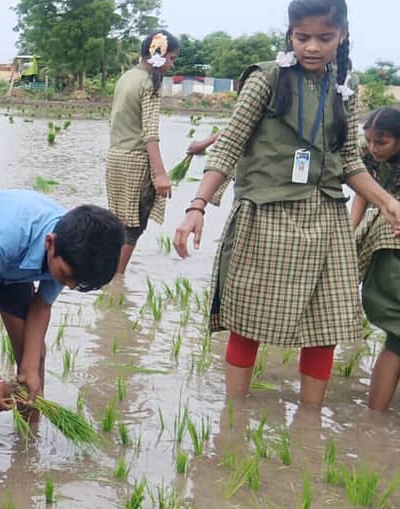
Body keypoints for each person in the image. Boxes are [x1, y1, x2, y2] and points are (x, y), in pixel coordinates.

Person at [173, 0, 400, 407]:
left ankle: (309, 424)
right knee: (247, 322)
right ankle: (234, 417)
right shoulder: (267, 79)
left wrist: (385, 201)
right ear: (290, 34)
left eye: (324, 38)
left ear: (342, 36)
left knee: (325, 328)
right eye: (302, 37)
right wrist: (197, 206)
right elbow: (229, 145)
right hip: (267, 215)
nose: (312, 47)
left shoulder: (344, 87)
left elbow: (349, 160)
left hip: (326, 218)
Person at [0, 190, 123, 412]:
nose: (70, 286)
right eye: (67, 277)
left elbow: (41, 306)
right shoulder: (8, 237)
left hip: (13, 271)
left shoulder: (75, 253)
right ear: (50, 243)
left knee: (34, 356)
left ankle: (29, 433)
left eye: (76, 282)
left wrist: (30, 367)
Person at [105, 30, 180, 274]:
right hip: (135, 161)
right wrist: (160, 174)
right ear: (158, 55)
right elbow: (150, 133)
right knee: (134, 225)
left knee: (119, 220)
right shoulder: (150, 83)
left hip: (116, 157)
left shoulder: (127, 77)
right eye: (171, 58)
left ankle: (110, 274)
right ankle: (117, 278)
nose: (172, 64)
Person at [350, 107, 400, 411]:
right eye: (369, 140)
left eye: (382, 142)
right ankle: (375, 420)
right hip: (385, 238)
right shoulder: (364, 153)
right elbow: (362, 190)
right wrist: (349, 234)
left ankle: (376, 420)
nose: (374, 148)